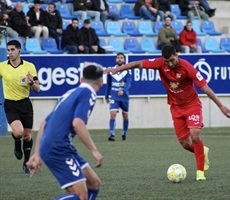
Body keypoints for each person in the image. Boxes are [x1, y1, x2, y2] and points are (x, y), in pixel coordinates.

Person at [104, 45, 230, 181]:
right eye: (167, 61)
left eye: (172, 60)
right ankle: (202, 151)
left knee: (195, 135)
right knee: (185, 143)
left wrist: (221, 106)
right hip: (176, 108)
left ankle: (200, 173)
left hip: (192, 105)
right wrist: (117, 69)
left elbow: (206, 88)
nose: (170, 64)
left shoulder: (187, 67)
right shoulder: (160, 63)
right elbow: (138, 63)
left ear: (177, 55)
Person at [26, 64, 104, 200]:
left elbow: (44, 124)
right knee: (81, 196)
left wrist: (37, 153)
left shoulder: (70, 93)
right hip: (58, 148)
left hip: (61, 146)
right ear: (101, 82)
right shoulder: (89, 93)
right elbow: (78, 123)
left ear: (81, 79)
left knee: (93, 183)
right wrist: (94, 150)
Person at [0, 39, 40, 173]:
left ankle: (27, 162)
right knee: (18, 132)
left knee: (27, 136)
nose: (10, 53)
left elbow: (37, 89)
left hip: (25, 103)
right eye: (8, 50)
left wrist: (31, 83)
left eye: (12, 50)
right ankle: (17, 142)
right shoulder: (2, 66)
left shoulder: (29, 66)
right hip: (10, 104)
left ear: (19, 50)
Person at [105, 53, 132, 142]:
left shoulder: (127, 71)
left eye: (121, 58)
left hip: (124, 97)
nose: (119, 59)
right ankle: (112, 134)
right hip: (114, 96)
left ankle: (124, 133)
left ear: (124, 60)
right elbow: (109, 84)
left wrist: (123, 90)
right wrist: (106, 95)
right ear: (116, 59)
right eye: (118, 58)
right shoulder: (111, 72)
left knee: (125, 116)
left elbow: (128, 83)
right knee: (113, 114)